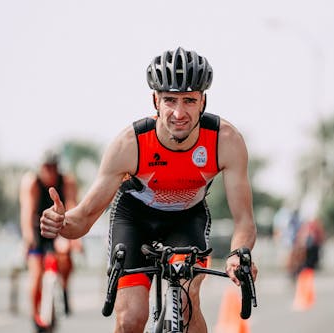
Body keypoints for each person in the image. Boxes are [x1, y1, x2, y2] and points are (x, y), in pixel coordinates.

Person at [39, 46, 258, 333]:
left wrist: (238, 254)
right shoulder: (130, 145)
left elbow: (244, 220)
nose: (179, 112)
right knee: (131, 318)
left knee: (187, 298)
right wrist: (61, 222)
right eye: (170, 100)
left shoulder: (225, 141)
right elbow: (83, 218)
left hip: (187, 218)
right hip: (134, 218)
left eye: (189, 100)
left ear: (203, 101)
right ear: (155, 100)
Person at [19, 150, 83, 331]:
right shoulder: (31, 182)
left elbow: (72, 206)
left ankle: (64, 287)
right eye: (47, 168)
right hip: (36, 228)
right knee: (36, 274)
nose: (50, 172)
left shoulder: (67, 181)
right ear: (40, 168)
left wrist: (74, 237)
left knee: (66, 255)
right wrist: (28, 237)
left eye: (54, 168)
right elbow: (27, 211)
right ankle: (35, 314)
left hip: (59, 225)